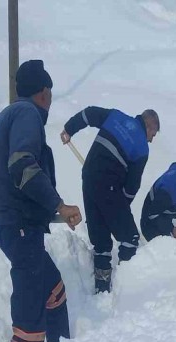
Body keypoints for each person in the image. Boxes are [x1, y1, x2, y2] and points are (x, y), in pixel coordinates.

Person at [0, 59, 82, 342]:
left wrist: (42, 215)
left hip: (15, 230)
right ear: (45, 92)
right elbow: (23, 165)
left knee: (54, 291)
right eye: (49, 93)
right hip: (21, 232)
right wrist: (58, 204)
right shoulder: (27, 116)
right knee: (29, 324)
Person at [60, 107, 160, 293]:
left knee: (101, 240)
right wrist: (119, 209)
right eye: (153, 134)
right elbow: (132, 186)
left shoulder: (115, 116)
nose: (151, 139)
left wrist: (69, 129)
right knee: (130, 238)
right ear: (148, 126)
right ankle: (127, 287)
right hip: (109, 186)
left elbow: (88, 114)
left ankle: (102, 287)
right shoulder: (141, 147)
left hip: (89, 178)